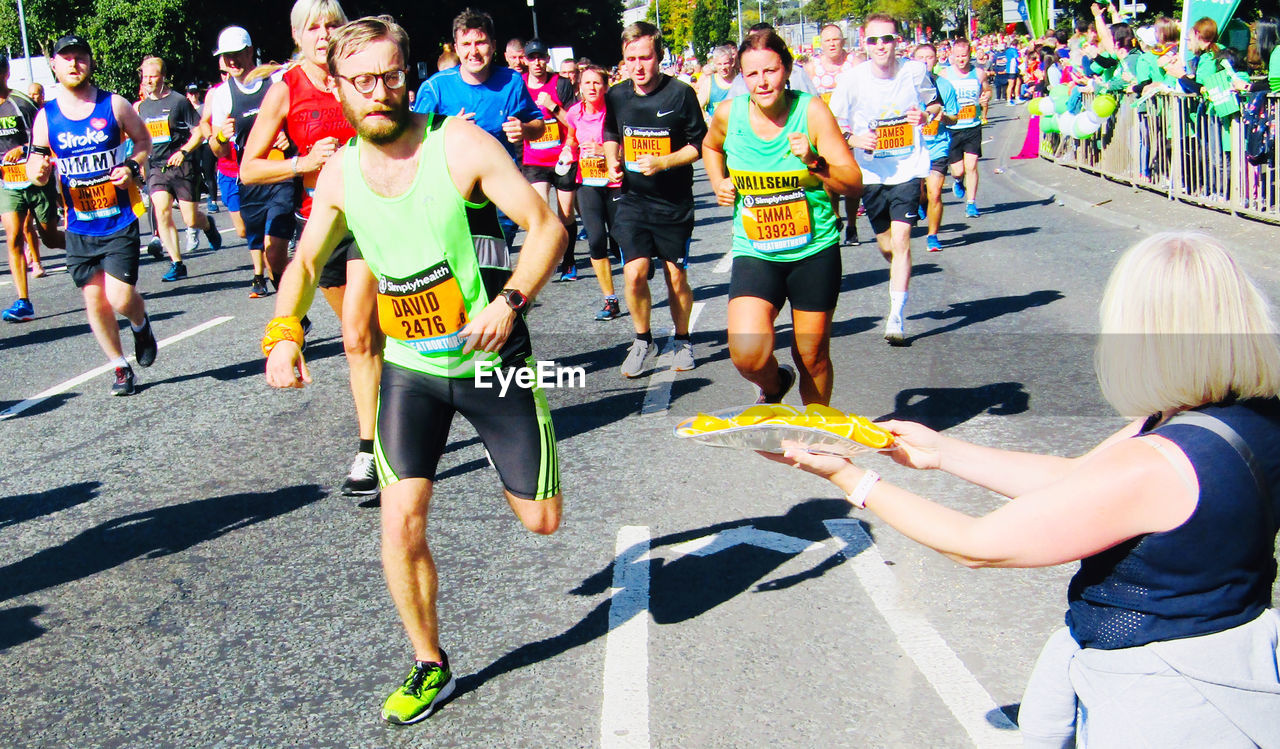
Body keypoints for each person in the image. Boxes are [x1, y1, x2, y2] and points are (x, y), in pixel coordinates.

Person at [763, 231, 1280, 747]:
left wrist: (848, 476)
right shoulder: (1235, 417)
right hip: (1231, 651)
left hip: (1163, 691)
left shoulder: (1158, 461)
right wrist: (943, 454)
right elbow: (1079, 479)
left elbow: (979, 546)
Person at [263, 15, 567, 724]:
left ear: (410, 76)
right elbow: (306, 261)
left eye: (391, 76)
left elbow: (546, 225)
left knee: (543, 519)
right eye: (362, 80)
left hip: (492, 358)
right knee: (399, 521)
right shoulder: (338, 173)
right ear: (337, 87)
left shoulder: (455, 143)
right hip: (411, 370)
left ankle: (512, 453)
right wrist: (283, 334)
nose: (379, 91)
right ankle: (431, 663)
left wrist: (513, 301)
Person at [242, 0, 386, 498]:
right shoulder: (286, 88)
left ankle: (370, 449)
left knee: (355, 336)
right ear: (297, 35)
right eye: (313, 27)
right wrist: (303, 163)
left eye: (331, 25)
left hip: (374, 218)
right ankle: (395, 410)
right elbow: (249, 168)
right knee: (366, 339)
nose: (323, 34)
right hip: (322, 224)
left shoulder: (363, 73)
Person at [702, 30, 861, 406]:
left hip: (813, 250)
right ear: (742, 77)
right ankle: (774, 386)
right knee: (747, 355)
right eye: (752, 74)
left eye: (770, 71)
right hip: (756, 250)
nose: (762, 82)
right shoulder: (729, 114)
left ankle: (818, 432)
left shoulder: (812, 111)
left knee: (811, 355)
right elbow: (710, 145)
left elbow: (853, 183)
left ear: (786, 70)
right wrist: (718, 181)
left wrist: (814, 162)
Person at [26, 35, 158, 395]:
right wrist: (37, 173)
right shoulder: (46, 117)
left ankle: (140, 321)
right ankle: (119, 367)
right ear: (54, 64)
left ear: (90, 63)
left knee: (118, 297)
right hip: (79, 225)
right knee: (93, 298)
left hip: (118, 218)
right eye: (65, 58)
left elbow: (144, 142)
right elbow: (36, 162)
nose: (73, 64)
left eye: (80, 57)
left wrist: (131, 165)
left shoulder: (113, 105)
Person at [603, 22, 706, 377]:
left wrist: (664, 161)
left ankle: (682, 339)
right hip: (632, 200)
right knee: (634, 274)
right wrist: (611, 158)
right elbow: (611, 132)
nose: (638, 66)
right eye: (631, 58)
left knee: (675, 276)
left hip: (673, 202)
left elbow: (699, 146)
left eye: (645, 57)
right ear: (623, 60)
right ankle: (642, 339)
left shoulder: (681, 94)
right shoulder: (617, 95)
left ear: (659, 57)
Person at [829, 14, 939, 345]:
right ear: (865, 43)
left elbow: (934, 105)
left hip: (907, 167)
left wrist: (925, 114)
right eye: (874, 41)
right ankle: (899, 269)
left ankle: (896, 316)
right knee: (888, 245)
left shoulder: (915, 71)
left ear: (897, 41)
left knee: (902, 242)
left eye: (887, 39)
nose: (881, 46)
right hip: (872, 172)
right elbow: (831, 121)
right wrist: (853, 139)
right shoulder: (853, 80)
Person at [411, 8, 545, 246]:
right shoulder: (436, 88)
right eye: (466, 43)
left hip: (500, 197)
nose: (473, 51)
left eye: (480, 42)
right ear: (457, 47)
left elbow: (539, 125)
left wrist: (524, 129)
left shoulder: (512, 82)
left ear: (493, 45)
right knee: (461, 273)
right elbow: (412, 141)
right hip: (453, 198)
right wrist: (447, 130)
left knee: (493, 273)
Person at [205, 26, 293, 297]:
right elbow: (217, 150)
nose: (232, 61)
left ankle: (293, 308)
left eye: (237, 54)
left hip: (281, 173)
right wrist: (220, 136)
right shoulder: (222, 95)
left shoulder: (277, 80)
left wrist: (289, 137)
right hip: (251, 178)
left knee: (274, 243)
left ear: (250, 51)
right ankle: (296, 312)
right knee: (264, 249)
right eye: (226, 56)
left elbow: (299, 119)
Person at [137, 56, 222, 283]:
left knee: (190, 219)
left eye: (153, 76)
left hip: (183, 165)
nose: (148, 81)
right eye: (145, 77)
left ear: (163, 77)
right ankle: (177, 263)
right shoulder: (142, 107)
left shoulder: (178, 102)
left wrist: (183, 151)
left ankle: (207, 224)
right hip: (157, 167)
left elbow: (199, 132)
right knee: (161, 211)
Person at [1, 56, 64, 322]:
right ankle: (23, 301)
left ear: (4, 73)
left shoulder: (21, 103)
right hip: (9, 184)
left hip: (36, 179)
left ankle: (87, 250)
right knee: (14, 236)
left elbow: (45, 139)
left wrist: (22, 149)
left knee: (49, 237)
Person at [563, 64, 623, 319]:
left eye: (597, 83)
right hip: (587, 182)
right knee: (596, 239)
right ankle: (610, 299)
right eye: (587, 83)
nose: (592, 88)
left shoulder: (615, 112)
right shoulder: (575, 113)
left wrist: (605, 151)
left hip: (615, 184)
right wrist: (568, 151)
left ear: (605, 86)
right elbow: (571, 138)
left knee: (621, 238)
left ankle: (636, 278)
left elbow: (627, 145)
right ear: (580, 87)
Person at [518, 40, 578, 279]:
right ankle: (546, 258)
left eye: (541, 57)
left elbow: (574, 122)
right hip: (534, 160)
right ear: (525, 60)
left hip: (562, 158)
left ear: (547, 59)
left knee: (566, 214)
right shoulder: (518, 85)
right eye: (532, 58)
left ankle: (569, 260)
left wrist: (553, 107)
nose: (538, 63)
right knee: (540, 212)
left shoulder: (560, 84)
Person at [939, 38, 991, 219]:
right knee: (958, 170)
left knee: (972, 166)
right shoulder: (945, 75)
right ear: (952, 56)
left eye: (965, 55)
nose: (961, 59)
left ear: (970, 55)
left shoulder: (978, 73)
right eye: (958, 56)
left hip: (972, 126)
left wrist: (985, 100)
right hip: (953, 127)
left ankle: (971, 203)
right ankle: (958, 181)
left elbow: (987, 90)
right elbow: (938, 98)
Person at [913, 44, 957, 254]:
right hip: (913, 148)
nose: (924, 61)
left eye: (929, 57)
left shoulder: (945, 86)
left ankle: (932, 236)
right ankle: (920, 203)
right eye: (920, 57)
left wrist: (944, 117)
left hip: (938, 146)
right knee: (920, 193)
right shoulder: (906, 86)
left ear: (936, 60)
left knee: (936, 193)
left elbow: (955, 118)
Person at [696, 44, 735, 119]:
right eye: (719, 64)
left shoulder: (741, 80)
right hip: (717, 128)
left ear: (732, 62)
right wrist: (707, 120)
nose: (723, 67)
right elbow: (697, 106)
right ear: (714, 64)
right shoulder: (709, 82)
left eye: (726, 63)